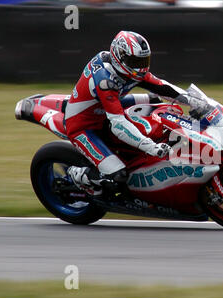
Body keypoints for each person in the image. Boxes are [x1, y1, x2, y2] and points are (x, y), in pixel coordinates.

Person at [66, 30, 211, 195]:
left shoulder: (126, 68)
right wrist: (150, 147)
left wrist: (195, 102)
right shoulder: (105, 80)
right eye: (135, 61)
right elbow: (118, 124)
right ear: (119, 56)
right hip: (84, 125)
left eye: (144, 60)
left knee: (155, 99)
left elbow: (163, 87)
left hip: (109, 106)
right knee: (117, 177)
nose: (140, 67)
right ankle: (79, 175)